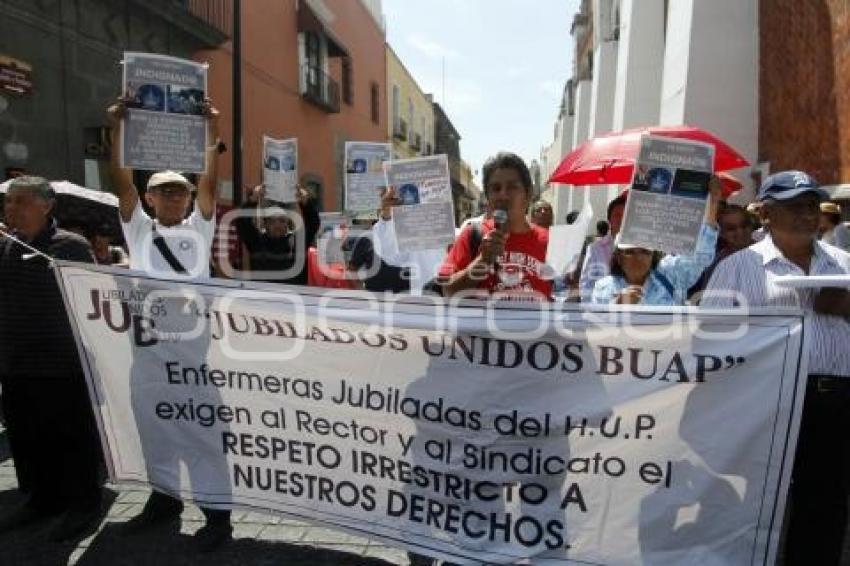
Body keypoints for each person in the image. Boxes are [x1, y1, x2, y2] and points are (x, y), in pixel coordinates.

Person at [701, 170, 850, 565]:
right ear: (765, 214)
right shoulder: (737, 268)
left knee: (825, 508)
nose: (806, 214)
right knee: (756, 506)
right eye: (794, 206)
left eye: (811, 206)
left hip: (835, 403)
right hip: (766, 404)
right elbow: (709, 341)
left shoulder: (844, 264)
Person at [108, 98, 233, 550]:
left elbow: (211, 179)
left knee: (202, 432)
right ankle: (164, 501)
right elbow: (120, 179)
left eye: (180, 190)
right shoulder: (138, 230)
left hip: (192, 357)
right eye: (164, 190)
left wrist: (210, 128)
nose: (175, 196)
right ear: (149, 198)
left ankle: (218, 515)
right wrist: (116, 125)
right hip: (146, 355)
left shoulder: (199, 227)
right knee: (154, 429)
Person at [0, 176, 104, 542]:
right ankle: (42, 499)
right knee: (28, 438)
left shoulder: (70, 246)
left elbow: (92, 299)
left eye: (21, 201)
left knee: (70, 437)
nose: (11, 208)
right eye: (9, 201)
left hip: (62, 365)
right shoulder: (6, 245)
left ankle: (84, 503)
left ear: (46, 206)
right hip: (16, 363)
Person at [437, 152, 551, 301]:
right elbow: (448, 291)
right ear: (487, 197)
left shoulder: (549, 242)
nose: (503, 195)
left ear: (528, 194)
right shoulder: (473, 234)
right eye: (496, 188)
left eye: (512, 187)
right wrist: (483, 261)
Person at [591, 178, 720, 305]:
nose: (638, 257)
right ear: (618, 257)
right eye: (630, 252)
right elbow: (595, 322)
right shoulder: (603, 288)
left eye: (644, 251)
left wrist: (713, 205)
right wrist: (617, 304)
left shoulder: (671, 274)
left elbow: (700, 257)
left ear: (653, 255)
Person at [234, 184, 319, 284]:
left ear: (287, 224)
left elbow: (313, 223)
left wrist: (306, 203)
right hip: (263, 297)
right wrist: (252, 200)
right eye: (272, 221)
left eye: (282, 221)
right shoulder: (257, 243)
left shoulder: (296, 243)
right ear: (265, 224)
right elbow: (241, 222)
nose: (277, 225)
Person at [370, 186, 445, 295]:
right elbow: (389, 255)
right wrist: (387, 217)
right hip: (424, 304)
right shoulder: (412, 235)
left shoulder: (461, 233)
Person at [689, 203, 754, 299]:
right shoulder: (717, 265)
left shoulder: (770, 254)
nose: (740, 232)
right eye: (731, 228)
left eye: (744, 225)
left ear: (751, 226)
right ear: (721, 233)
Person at [579, 191, 627, 301]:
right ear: (609, 220)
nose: (621, 219)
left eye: (625, 215)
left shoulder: (640, 249)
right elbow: (586, 285)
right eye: (617, 215)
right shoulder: (595, 249)